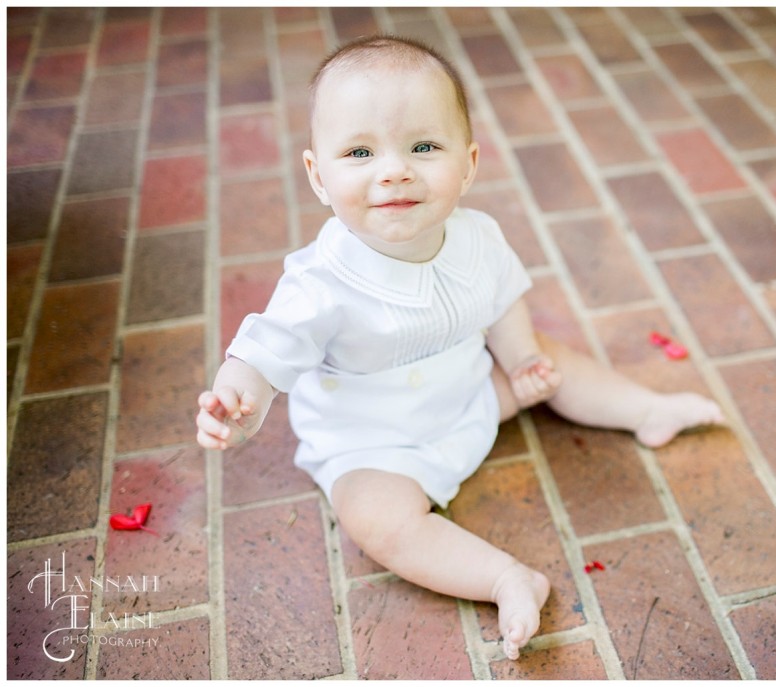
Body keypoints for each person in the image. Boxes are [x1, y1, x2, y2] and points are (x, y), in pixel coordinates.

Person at [196, 35, 723, 661]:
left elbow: (501, 304)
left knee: (551, 360)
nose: (394, 169)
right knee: (376, 521)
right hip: (375, 444)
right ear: (318, 175)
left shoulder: (479, 237)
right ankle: (505, 578)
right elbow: (265, 350)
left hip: (472, 390)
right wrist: (242, 398)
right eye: (360, 152)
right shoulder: (320, 284)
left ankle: (645, 408)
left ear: (468, 163)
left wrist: (522, 357)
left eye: (423, 146)